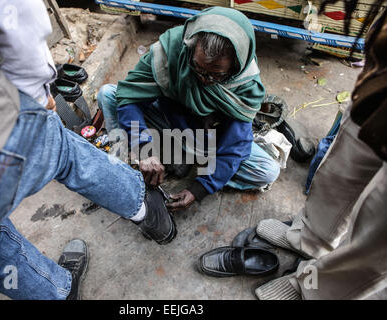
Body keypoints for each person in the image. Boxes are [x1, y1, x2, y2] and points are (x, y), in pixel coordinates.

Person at [0, 0, 175, 300]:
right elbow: (10, 14)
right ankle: (147, 212)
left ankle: (58, 294)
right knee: (67, 154)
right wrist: (39, 92)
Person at [197, 0, 387, 300]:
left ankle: (309, 289)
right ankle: (308, 239)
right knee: (338, 172)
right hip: (381, 83)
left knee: (379, 234)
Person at [97, 7, 281, 212]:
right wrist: (143, 148)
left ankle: (184, 159)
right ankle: (132, 160)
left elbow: (234, 146)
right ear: (191, 49)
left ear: (234, 68)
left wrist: (199, 189)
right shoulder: (169, 52)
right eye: (198, 68)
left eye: (215, 75)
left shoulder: (245, 84)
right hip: (169, 121)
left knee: (266, 171)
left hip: (210, 142)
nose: (204, 79)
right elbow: (130, 96)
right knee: (108, 94)